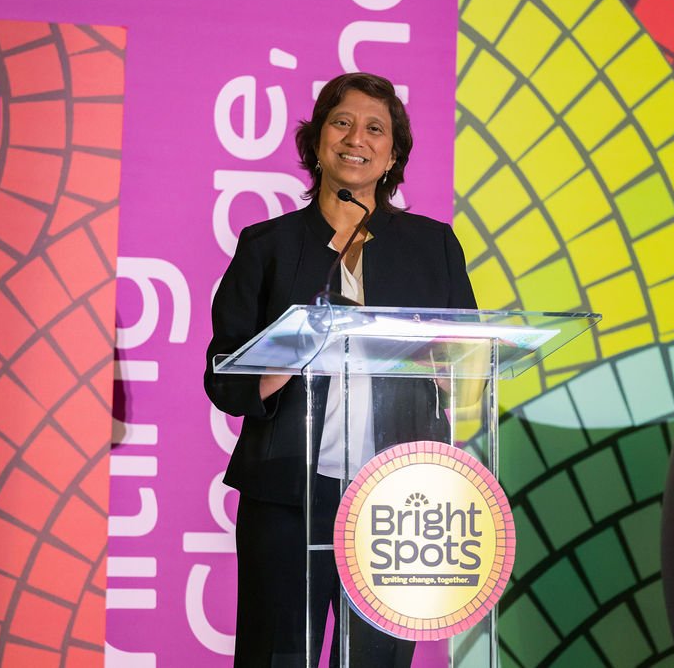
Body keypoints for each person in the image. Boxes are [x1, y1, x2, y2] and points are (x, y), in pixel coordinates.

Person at [204, 72, 477, 667]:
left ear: (393, 156)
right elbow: (222, 376)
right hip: (287, 495)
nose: (357, 138)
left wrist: (450, 373)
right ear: (318, 141)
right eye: (342, 123)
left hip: (398, 501)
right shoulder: (268, 245)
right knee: (275, 656)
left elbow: (468, 356)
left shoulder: (433, 247)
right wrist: (281, 361)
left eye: (375, 129)